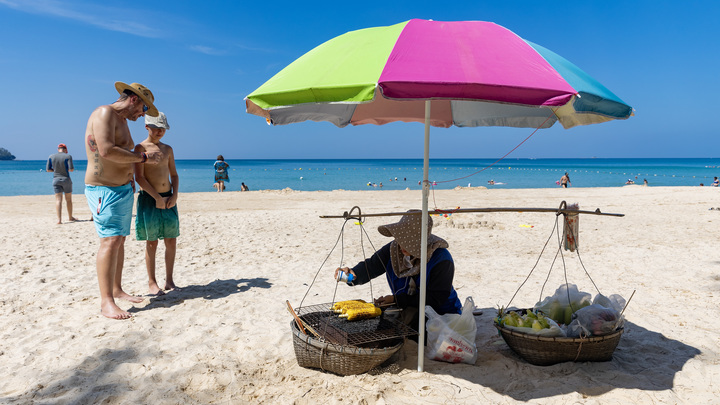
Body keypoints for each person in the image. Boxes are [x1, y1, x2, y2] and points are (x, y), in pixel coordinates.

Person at [84, 81, 163, 320]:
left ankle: (116, 289)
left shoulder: (123, 121)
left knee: (119, 240)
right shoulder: (104, 113)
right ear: (134, 99)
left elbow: (122, 155)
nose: (142, 116)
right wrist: (143, 158)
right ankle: (106, 301)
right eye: (143, 110)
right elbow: (106, 151)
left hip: (121, 189)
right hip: (103, 189)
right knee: (109, 241)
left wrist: (131, 176)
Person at [334, 211, 462, 334]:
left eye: (407, 241)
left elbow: (436, 299)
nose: (401, 244)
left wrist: (395, 300)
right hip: (404, 305)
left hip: (440, 313)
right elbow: (371, 266)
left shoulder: (441, 259)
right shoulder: (394, 249)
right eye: (400, 238)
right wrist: (352, 274)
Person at [133, 112, 179, 296]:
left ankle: (169, 280)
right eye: (156, 128)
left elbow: (174, 175)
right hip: (149, 199)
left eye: (163, 129)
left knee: (171, 240)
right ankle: (152, 282)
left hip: (169, 198)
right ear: (147, 127)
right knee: (151, 242)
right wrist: (156, 198)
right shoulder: (140, 148)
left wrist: (174, 195)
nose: (160, 132)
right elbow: (140, 178)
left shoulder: (168, 149)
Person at [46, 143, 78, 224]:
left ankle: (59, 220)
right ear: (65, 149)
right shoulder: (68, 156)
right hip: (66, 179)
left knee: (58, 200)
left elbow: (48, 170)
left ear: (58, 149)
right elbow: (71, 169)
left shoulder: (51, 156)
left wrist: (56, 170)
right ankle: (70, 217)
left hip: (56, 180)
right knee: (68, 200)